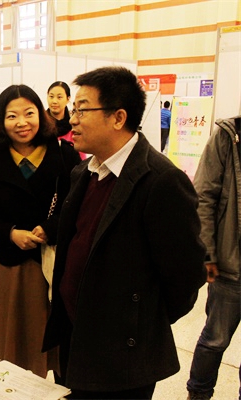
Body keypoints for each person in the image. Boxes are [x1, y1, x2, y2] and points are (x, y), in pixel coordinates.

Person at [42, 66, 206, 399]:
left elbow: (186, 275)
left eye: (82, 110)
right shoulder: (84, 172)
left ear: (118, 118)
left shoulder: (161, 181)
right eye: (74, 110)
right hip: (76, 336)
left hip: (123, 357)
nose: (72, 119)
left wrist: (138, 324)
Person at [0, 85, 80, 377]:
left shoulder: (65, 156)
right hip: (11, 265)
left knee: (55, 342)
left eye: (29, 113)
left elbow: (77, 207)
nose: (22, 123)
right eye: (12, 116)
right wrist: (10, 233)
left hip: (54, 261)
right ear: (0, 120)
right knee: (11, 340)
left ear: (41, 115)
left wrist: (49, 228)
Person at [186, 116, 241, 400]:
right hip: (232, 265)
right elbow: (204, 196)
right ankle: (198, 395)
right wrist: (207, 253)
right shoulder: (228, 136)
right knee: (215, 340)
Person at [47, 81, 86, 160]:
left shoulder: (74, 125)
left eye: (59, 97)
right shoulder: (40, 124)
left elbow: (82, 158)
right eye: (51, 96)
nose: (54, 101)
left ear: (68, 99)